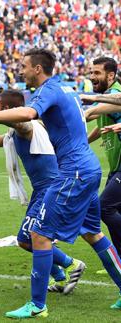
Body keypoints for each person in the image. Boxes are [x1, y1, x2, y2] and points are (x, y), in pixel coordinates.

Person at [0, 48, 121, 318]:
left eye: (24, 66)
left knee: (39, 235)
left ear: (38, 69)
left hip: (73, 173)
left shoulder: (48, 91)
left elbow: (29, 114)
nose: (20, 71)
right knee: (92, 233)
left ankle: (37, 304)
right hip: (87, 168)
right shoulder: (64, 89)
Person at [0, 89, 84, 294]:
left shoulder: (28, 126)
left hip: (50, 188)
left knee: (26, 239)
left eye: (1, 107)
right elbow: (0, 139)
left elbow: (22, 124)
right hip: (42, 189)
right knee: (36, 236)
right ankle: (59, 275)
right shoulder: (15, 132)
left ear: (10, 110)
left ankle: (71, 264)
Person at [83, 57, 121, 275]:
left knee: (104, 207)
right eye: (91, 72)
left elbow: (96, 111)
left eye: (97, 73)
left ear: (110, 75)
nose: (92, 77)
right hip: (116, 164)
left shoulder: (114, 93)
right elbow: (100, 121)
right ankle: (118, 260)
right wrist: (83, 141)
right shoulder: (106, 98)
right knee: (113, 210)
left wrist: (89, 108)